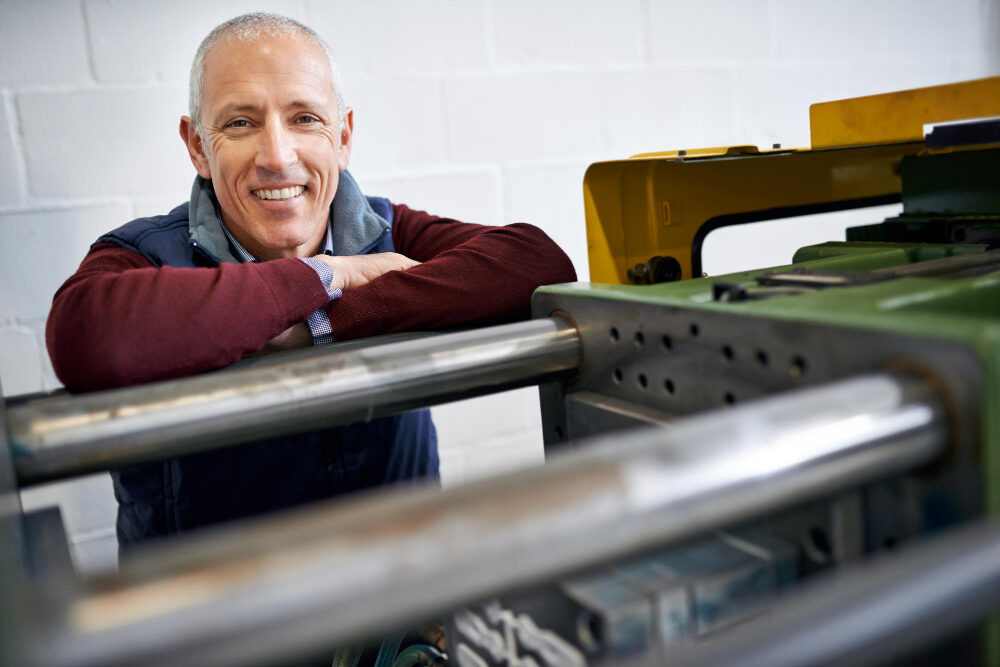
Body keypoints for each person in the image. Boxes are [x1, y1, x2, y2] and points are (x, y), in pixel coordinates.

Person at [45, 13, 576, 551]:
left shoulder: (386, 229)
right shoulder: (143, 255)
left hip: (400, 607)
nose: (277, 157)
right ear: (198, 146)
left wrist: (320, 323)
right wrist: (327, 275)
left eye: (304, 118)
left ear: (342, 137)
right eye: (240, 123)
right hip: (215, 625)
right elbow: (86, 334)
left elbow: (536, 263)